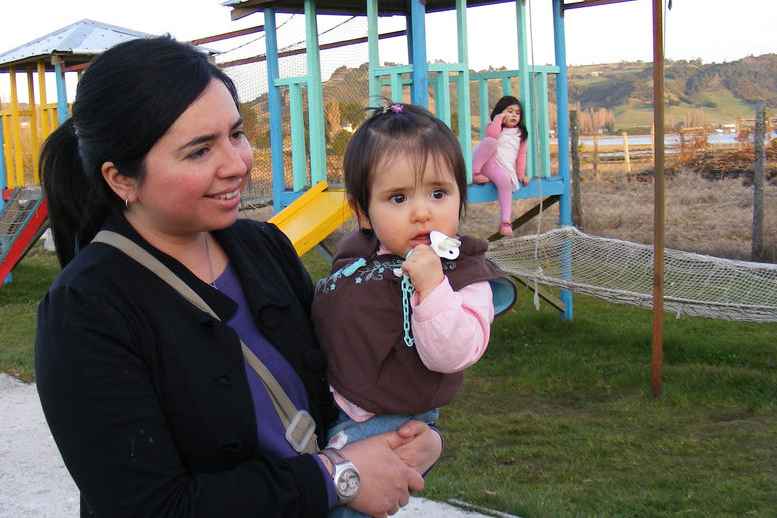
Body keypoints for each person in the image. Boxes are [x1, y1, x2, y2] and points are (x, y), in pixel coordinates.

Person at [33, 36, 442, 518]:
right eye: (199, 151)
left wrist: (413, 438)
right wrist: (336, 477)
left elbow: (344, 386)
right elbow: (150, 506)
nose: (237, 164)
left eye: (236, 133)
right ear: (122, 178)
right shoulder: (85, 310)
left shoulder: (264, 247)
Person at [312, 103, 517, 518]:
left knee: (350, 509)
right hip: (332, 401)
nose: (422, 211)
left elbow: (454, 352)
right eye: (399, 197)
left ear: (461, 196)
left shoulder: (465, 274)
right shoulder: (357, 255)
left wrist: (432, 286)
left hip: (386, 421)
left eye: (439, 193)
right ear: (362, 212)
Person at [470, 95, 531, 237]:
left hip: (501, 168)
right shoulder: (494, 127)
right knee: (490, 141)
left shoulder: (520, 134)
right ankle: (475, 173)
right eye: (509, 111)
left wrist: (521, 173)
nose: (514, 115)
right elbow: (492, 135)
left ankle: (505, 221)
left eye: (517, 113)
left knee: (504, 179)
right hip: (487, 163)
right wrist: (499, 118)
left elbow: (521, 155)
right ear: (501, 112)